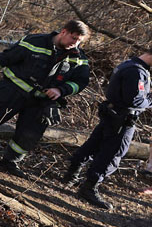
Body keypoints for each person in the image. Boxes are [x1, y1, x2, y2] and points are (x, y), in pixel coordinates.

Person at [0, 21, 91, 178]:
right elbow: (7, 57)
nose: (74, 44)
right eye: (73, 38)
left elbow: (81, 81)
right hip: (12, 90)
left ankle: (10, 162)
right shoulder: (34, 41)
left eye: (79, 41)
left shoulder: (79, 58)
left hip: (41, 101)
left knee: (29, 134)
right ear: (64, 31)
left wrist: (61, 90)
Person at [63, 48, 152, 209]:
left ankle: (72, 173)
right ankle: (89, 187)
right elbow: (135, 100)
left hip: (113, 114)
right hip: (122, 118)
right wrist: (150, 100)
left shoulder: (129, 65)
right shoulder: (136, 71)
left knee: (94, 144)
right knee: (113, 153)